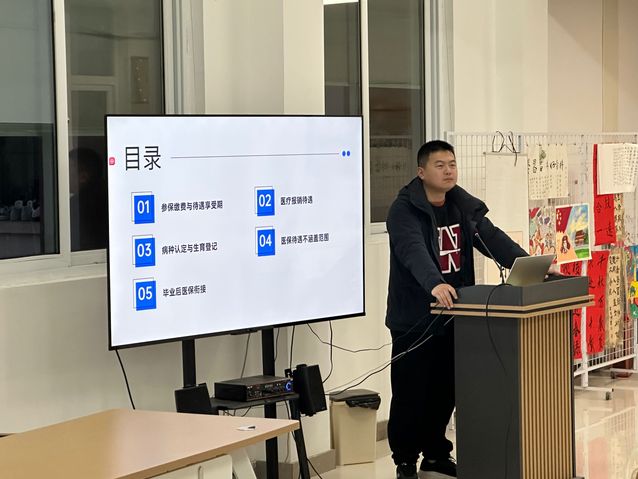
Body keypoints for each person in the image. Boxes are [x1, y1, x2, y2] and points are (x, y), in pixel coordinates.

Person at [385, 140, 528, 479]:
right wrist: (434, 283)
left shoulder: (461, 206)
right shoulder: (404, 210)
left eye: (452, 164)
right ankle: (405, 460)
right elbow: (412, 249)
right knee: (411, 393)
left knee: (446, 389)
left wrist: (527, 264)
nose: (448, 171)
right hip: (415, 319)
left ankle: (435, 455)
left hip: (457, 314)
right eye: (440, 165)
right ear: (421, 172)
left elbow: (492, 238)